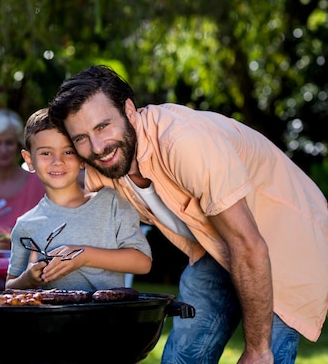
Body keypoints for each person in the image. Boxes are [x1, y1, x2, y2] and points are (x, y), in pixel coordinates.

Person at [48, 65, 328, 364]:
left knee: (266, 355)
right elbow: (62, 190)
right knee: (183, 357)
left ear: (129, 110)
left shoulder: (182, 142)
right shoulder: (107, 162)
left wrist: (257, 350)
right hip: (215, 244)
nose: (97, 147)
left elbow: (250, 247)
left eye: (103, 126)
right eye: (81, 138)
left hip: (282, 245)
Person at [6, 108, 152, 290]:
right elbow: (10, 290)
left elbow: (142, 262)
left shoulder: (113, 203)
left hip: (108, 317)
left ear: (83, 157)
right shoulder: (26, 225)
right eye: (45, 153)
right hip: (55, 318)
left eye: (68, 152)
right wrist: (28, 279)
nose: (57, 161)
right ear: (29, 160)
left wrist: (84, 256)